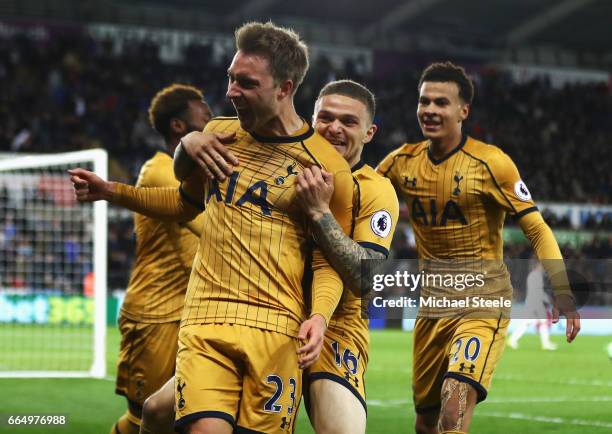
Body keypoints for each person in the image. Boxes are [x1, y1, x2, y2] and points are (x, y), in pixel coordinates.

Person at [69, 21, 354, 434]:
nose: (231, 92)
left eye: (246, 83)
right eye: (231, 78)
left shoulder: (327, 166)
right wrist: (114, 189)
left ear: (285, 88)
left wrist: (321, 316)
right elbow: (184, 205)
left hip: (277, 328)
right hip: (207, 317)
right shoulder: (219, 135)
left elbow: (329, 259)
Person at [174, 79, 399, 434]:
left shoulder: (375, 190)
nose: (334, 128)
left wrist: (320, 214)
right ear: (310, 119)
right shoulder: (279, 161)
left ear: (369, 133)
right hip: (270, 315)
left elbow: (365, 277)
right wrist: (189, 141)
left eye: (349, 122)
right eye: (325, 117)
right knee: (157, 410)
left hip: (336, 326)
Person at [376, 61, 580, 434]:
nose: (430, 110)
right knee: (425, 422)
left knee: (452, 415)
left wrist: (562, 290)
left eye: (441, 102)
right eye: (424, 102)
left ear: (463, 111)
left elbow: (537, 229)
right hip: (433, 306)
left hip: (481, 302)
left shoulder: (491, 163)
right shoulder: (401, 162)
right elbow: (357, 196)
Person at [109, 84, 211, 434]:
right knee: (144, 417)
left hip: (190, 314)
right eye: (204, 114)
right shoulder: (161, 170)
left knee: (182, 416)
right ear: (179, 127)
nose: (212, 120)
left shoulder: (201, 179)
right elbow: (210, 227)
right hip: (155, 314)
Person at [508, 260, 557, 350]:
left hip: (532, 302)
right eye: (541, 266)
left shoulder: (533, 275)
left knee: (527, 323)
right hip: (535, 303)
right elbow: (538, 291)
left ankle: (512, 340)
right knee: (541, 322)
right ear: (537, 267)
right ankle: (545, 344)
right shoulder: (536, 276)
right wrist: (548, 299)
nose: (543, 268)